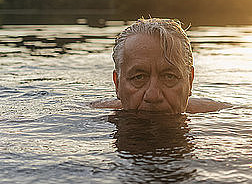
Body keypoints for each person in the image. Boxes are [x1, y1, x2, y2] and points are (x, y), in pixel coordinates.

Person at [91, 17, 230, 113]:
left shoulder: (229, 118)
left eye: (169, 77)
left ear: (190, 81)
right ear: (117, 84)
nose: (153, 96)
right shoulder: (86, 114)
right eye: (139, 77)